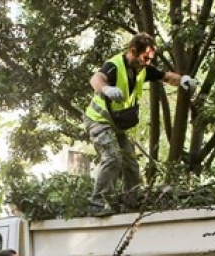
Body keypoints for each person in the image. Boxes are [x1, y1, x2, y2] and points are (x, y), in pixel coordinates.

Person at [83, 32, 197, 216]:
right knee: (112, 158)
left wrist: (183, 80)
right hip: (98, 121)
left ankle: (131, 203)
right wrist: (106, 88)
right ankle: (96, 204)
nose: (147, 62)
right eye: (145, 57)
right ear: (133, 51)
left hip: (117, 126)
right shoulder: (115, 65)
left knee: (130, 164)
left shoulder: (143, 69)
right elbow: (95, 78)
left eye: (150, 59)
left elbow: (166, 76)